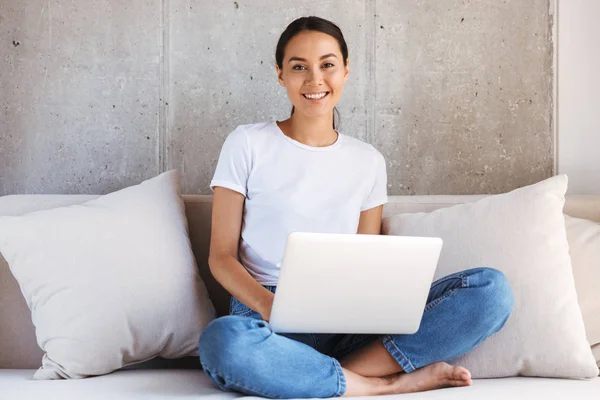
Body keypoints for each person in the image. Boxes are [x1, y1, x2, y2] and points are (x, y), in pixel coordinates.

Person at [198, 16, 514, 399]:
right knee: (223, 342)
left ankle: (322, 376)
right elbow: (221, 257)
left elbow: (366, 261)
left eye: (327, 65)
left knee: (490, 291)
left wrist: (372, 305)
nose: (315, 80)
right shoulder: (246, 143)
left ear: (346, 71)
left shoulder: (368, 161)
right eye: (299, 67)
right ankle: (381, 384)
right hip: (265, 316)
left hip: (345, 319)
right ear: (281, 75)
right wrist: (274, 308)